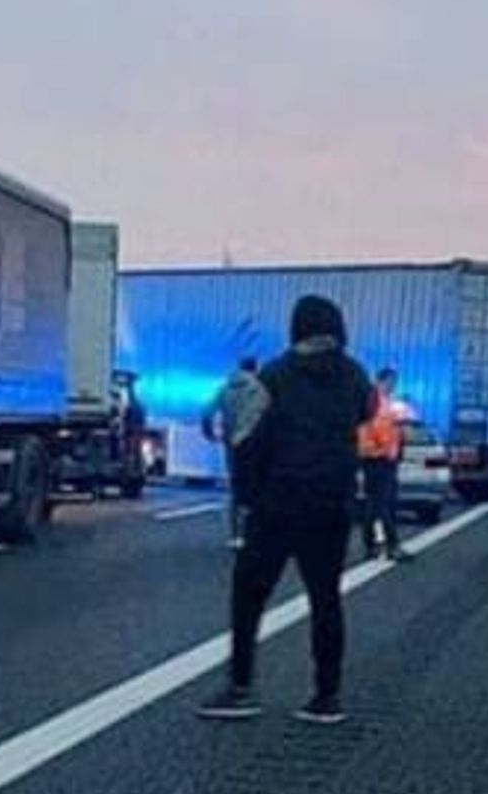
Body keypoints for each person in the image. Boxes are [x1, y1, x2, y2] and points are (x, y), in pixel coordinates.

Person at [197, 295, 374, 726]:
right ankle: (326, 696)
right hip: (331, 502)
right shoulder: (356, 376)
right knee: (326, 597)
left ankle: (241, 687)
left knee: (249, 594)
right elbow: (365, 417)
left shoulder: (275, 375)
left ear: (298, 327)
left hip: (278, 502)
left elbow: (248, 438)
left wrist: (247, 495)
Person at [201, 357, 269, 548]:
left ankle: (235, 535)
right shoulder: (258, 388)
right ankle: (252, 532)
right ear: (254, 369)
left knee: (236, 486)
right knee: (256, 487)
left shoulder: (224, 388)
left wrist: (210, 433)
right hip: (253, 443)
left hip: (231, 443)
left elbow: (207, 412)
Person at [357, 367, 412, 562]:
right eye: (391, 382)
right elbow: (376, 428)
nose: (393, 386)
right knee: (386, 503)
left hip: (376, 458)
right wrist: (388, 450)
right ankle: (392, 546)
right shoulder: (376, 401)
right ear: (383, 381)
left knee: (374, 504)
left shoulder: (380, 400)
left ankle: (371, 545)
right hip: (379, 458)